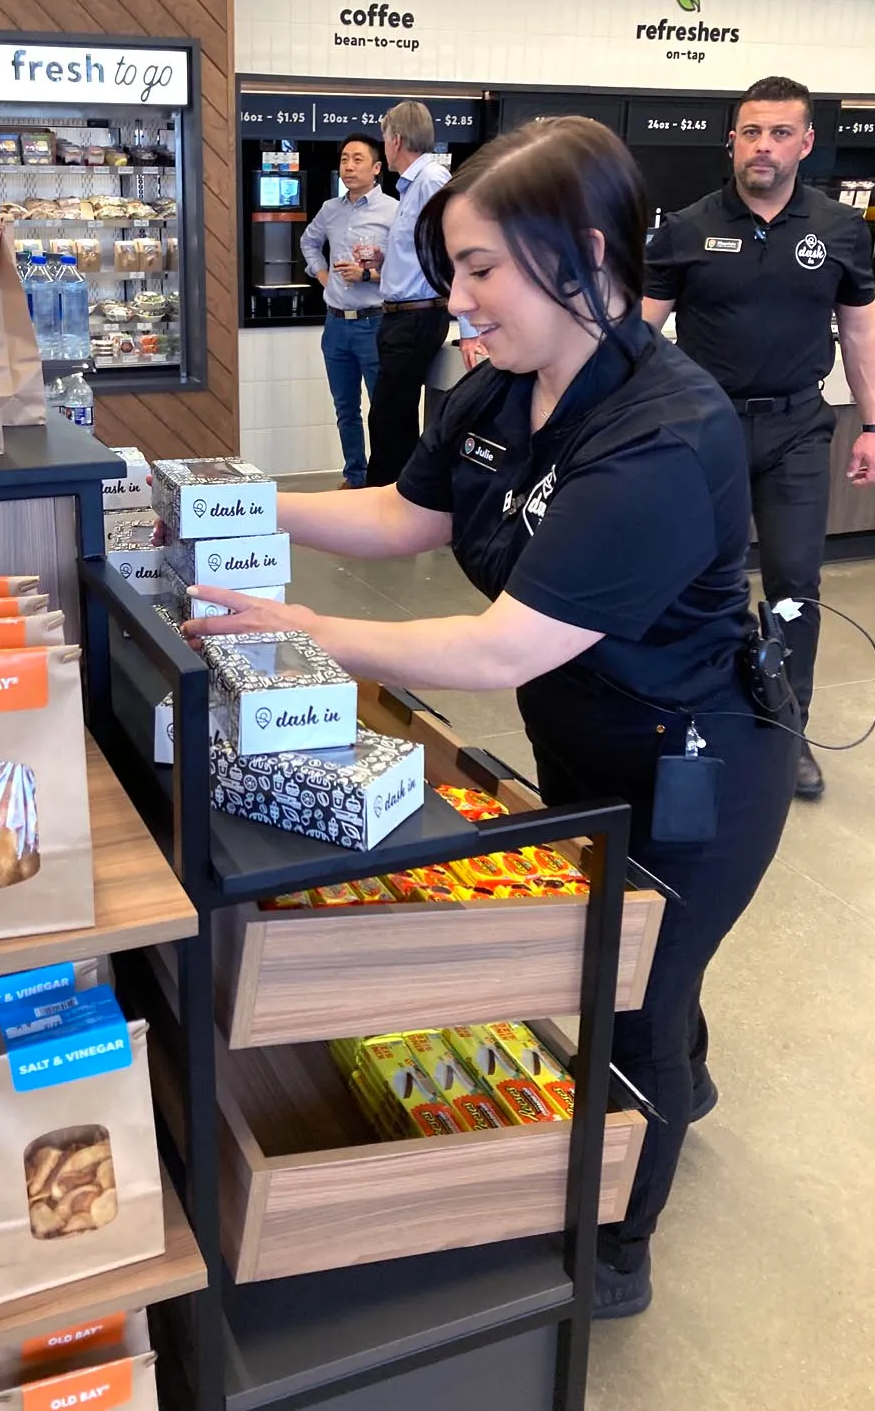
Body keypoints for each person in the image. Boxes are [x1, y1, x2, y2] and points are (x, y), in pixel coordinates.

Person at [184, 117, 798, 1319]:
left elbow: (498, 643)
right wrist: (245, 500)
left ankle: (618, 1247)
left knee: (632, 1006)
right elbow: (405, 516)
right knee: (633, 961)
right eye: (453, 267)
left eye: (479, 269)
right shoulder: (502, 384)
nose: (457, 297)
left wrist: (291, 626)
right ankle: (690, 1056)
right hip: (580, 735)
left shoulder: (665, 432)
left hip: (698, 765)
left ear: (578, 254)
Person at [643, 75, 875, 801]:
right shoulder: (683, 228)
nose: (764, 146)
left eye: (780, 133)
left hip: (796, 432)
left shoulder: (839, 231)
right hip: (701, 430)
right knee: (686, 579)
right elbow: (638, 333)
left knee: (793, 586)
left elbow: (861, 328)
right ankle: (689, 722)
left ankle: (787, 734)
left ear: (806, 144)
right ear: (732, 140)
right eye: (751, 131)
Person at [300, 135, 397, 488]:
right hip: (336, 324)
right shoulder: (330, 209)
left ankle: (384, 481)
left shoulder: (394, 211)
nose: (349, 166)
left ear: (376, 168)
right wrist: (324, 277)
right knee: (346, 410)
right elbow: (308, 242)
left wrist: (368, 274)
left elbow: (406, 269)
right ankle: (354, 476)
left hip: (375, 322)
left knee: (382, 409)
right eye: (344, 159)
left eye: (358, 159)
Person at [364, 101, 452, 487]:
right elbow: (418, 251)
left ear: (396, 140)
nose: (385, 146)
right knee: (390, 415)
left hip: (417, 317)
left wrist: (470, 328)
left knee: (389, 415)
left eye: (385, 138)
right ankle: (394, 497)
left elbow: (451, 249)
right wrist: (388, 260)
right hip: (402, 315)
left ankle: (387, 500)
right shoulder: (412, 186)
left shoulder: (430, 181)